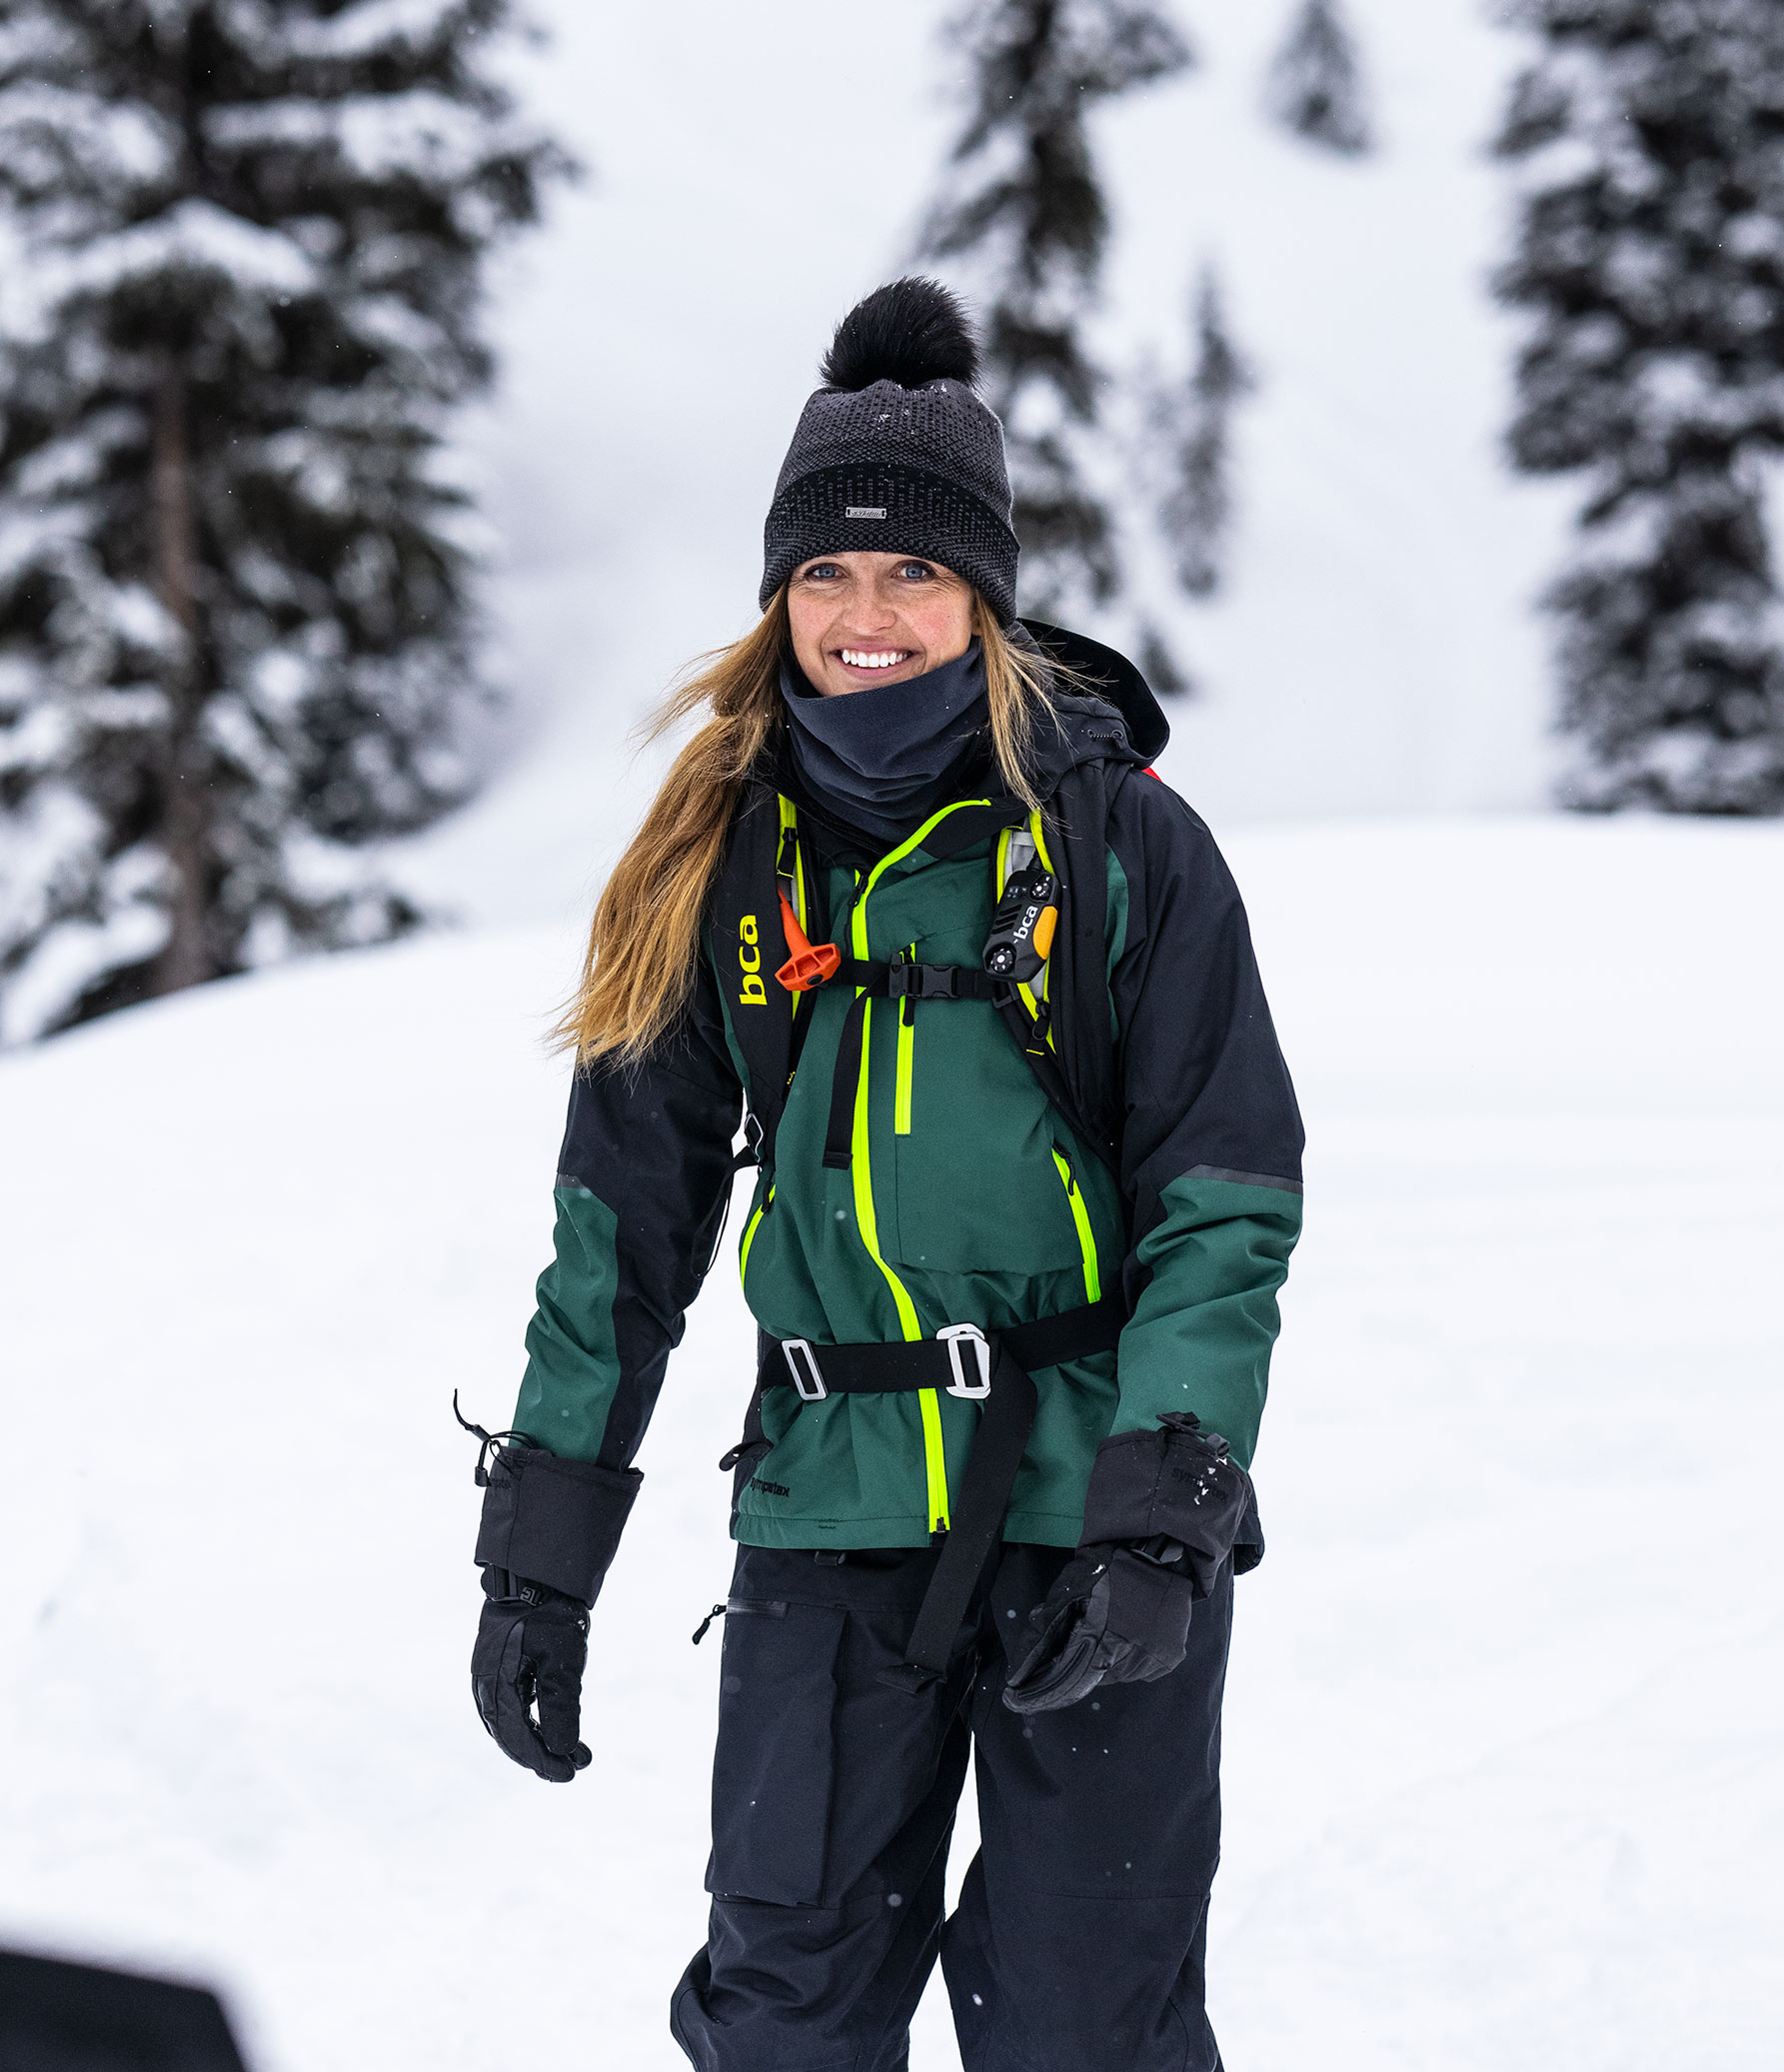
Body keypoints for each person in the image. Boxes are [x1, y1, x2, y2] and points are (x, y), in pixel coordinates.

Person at [466, 278, 1303, 2070]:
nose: (866, 616)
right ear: (776, 599)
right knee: (785, 2017)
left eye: (912, 574)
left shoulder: (1123, 845)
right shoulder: (716, 863)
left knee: (1088, 2028)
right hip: (828, 1513)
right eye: (825, 578)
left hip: (1094, 1510)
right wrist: (540, 1555)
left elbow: (1221, 1194)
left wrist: (1163, 1511)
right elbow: (616, 1231)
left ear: (982, 598)